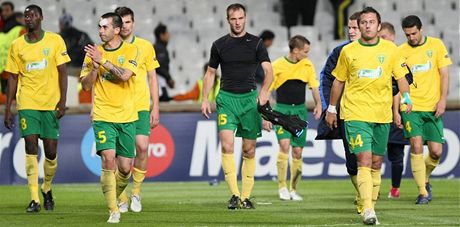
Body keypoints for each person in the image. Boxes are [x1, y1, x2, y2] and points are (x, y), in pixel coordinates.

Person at [325, 7, 412, 225]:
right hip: (355, 112)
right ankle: (368, 210)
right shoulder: (348, 51)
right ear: (359, 25)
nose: (367, 26)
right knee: (363, 159)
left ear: (378, 26)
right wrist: (332, 108)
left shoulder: (391, 50)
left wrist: (407, 98)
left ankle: (369, 202)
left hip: (381, 114)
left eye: (371, 22)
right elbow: (338, 81)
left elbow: (401, 77)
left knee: (376, 162)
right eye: (363, 22)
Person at [201, 3, 273, 210]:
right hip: (226, 100)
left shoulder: (257, 43)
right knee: (226, 145)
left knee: (249, 150)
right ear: (228, 20)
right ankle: (234, 194)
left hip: (250, 101)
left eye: (240, 18)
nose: (237, 22)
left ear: (245, 18)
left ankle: (246, 196)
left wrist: (264, 94)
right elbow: (210, 73)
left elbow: (269, 72)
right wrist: (205, 98)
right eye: (234, 19)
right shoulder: (219, 44)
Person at [4, 4, 69, 213]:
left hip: (50, 103)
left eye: (33, 15)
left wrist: (62, 101)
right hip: (27, 103)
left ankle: (47, 188)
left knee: (50, 152)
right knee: (30, 146)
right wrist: (8, 108)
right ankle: (34, 199)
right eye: (26, 16)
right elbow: (13, 77)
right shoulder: (17, 45)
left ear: (41, 17)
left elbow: (63, 72)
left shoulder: (55, 40)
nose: (29, 18)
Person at [80, 12, 139, 223]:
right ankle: (113, 209)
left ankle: (112, 193)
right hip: (103, 115)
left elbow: (124, 76)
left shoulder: (132, 49)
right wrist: (95, 68)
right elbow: (86, 85)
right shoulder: (92, 53)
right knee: (108, 159)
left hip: (126, 116)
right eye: (99, 27)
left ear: (116, 29)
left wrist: (102, 61)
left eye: (105, 27)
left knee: (125, 168)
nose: (100, 31)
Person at [398, 15, 452, 204]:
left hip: (433, 107)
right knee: (416, 145)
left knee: (436, 152)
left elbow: (444, 74)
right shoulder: (401, 52)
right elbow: (399, 81)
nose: (411, 37)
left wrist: (443, 100)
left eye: (414, 33)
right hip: (411, 107)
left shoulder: (436, 45)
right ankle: (423, 192)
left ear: (421, 29)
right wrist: (398, 108)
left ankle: (425, 178)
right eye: (407, 34)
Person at [263, 35, 321, 201]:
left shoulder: (307, 65)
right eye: (305, 51)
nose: (307, 55)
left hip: (300, 112)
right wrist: (266, 115)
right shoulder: (277, 65)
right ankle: (282, 187)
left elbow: (314, 87)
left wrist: (318, 104)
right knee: (284, 145)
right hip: (281, 111)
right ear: (295, 51)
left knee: (297, 151)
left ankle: (293, 189)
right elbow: (266, 91)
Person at [113, 6, 160, 213]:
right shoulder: (110, 48)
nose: (125, 26)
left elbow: (152, 77)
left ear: (133, 23)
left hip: (140, 106)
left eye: (128, 22)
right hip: (117, 106)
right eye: (121, 22)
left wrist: (155, 107)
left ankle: (136, 193)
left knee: (142, 147)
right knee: (119, 156)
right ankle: (121, 196)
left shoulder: (145, 46)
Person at [317, 11, 362, 213]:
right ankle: (364, 196)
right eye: (349, 28)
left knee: (373, 158)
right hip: (348, 113)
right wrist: (330, 108)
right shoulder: (339, 51)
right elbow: (327, 79)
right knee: (353, 161)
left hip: (375, 112)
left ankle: (367, 199)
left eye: (355, 28)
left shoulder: (384, 50)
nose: (351, 32)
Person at [378, 22, 408, 199]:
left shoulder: (399, 57)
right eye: (379, 37)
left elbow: (398, 88)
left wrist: (396, 112)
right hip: (377, 111)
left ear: (392, 37)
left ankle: (395, 188)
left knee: (396, 154)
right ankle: (375, 188)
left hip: (395, 112)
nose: (381, 40)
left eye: (384, 37)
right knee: (375, 155)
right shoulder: (378, 55)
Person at [0, 1, 26, 94]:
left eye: (7, 10)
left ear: (12, 11)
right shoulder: (2, 30)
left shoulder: (20, 30)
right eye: (2, 10)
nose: (4, 13)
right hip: (3, 73)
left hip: (14, 73)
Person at [58, 12, 93, 76]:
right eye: (61, 23)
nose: (61, 25)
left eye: (63, 23)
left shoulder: (81, 36)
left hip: (77, 68)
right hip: (65, 69)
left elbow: (90, 50)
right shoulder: (57, 37)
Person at [154, 23, 175, 102]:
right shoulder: (159, 48)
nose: (168, 35)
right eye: (166, 33)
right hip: (158, 81)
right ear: (161, 35)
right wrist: (169, 78)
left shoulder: (160, 47)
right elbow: (158, 66)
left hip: (160, 81)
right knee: (163, 101)